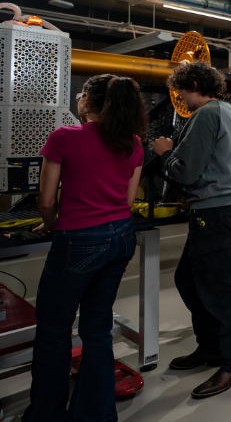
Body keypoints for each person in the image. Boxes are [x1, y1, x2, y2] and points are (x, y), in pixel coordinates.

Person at [26, 74, 147, 422]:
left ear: (89, 102)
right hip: (122, 237)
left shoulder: (64, 136)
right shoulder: (134, 142)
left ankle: (46, 416)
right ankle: (97, 415)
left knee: (54, 331)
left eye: (80, 95)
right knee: (96, 329)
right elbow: (126, 199)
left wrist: (49, 223)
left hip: (79, 240)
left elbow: (46, 201)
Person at [151, 61, 231, 399]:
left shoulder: (206, 115)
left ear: (193, 83)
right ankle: (210, 347)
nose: (178, 97)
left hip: (216, 210)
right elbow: (216, 164)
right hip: (221, 207)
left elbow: (185, 171)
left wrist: (165, 153)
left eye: (179, 90)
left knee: (224, 288)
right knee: (189, 279)